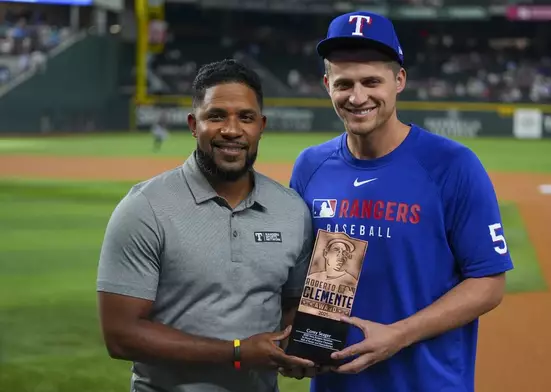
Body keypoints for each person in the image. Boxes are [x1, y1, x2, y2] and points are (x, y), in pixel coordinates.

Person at [284, 10, 515, 392]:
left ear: (399, 80)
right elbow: (308, 275)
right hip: (337, 383)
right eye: (344, 84)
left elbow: (489, 282)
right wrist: (299, 339)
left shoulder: (452, 165)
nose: (357, 97)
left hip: (428, 382)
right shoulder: (311, 166)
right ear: (327, 84)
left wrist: (398, 335)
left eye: (371, 81)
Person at [96, 59, 316, 392]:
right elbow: (121, 335)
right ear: (193, 124)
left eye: (246, 117)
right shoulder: (145, 207)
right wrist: (237, 353)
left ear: (262, 125)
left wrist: (302, 347)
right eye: (216, 116)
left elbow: (292, 306)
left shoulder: (291, 210)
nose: (231, 130)